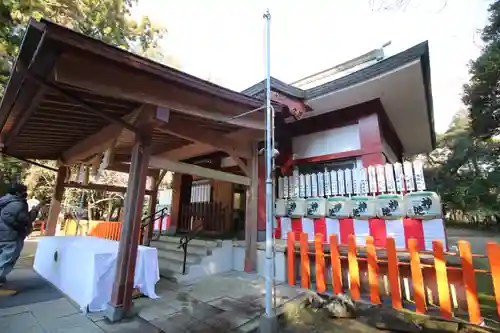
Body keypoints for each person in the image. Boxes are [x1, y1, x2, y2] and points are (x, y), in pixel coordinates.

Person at [0, 184, 41, 296]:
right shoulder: (18, 204)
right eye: (24, 191)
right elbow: (25, 220)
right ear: (18, 193)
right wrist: (34, 211)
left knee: (2, 258)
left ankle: (1, 281)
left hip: (2, 235)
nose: (25, 194)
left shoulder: (4, 201)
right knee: (7, 259)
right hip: (11, 236)